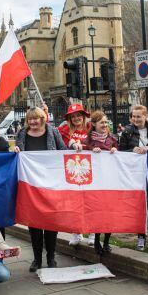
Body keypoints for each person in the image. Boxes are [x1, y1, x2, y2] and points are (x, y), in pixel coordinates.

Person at [15, 106, 65, 271]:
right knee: (34, 223)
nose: (33, 122)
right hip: (31, 185)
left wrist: (76, 147)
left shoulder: (53, 132)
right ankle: (37, 259)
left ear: (42, 119)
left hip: (51, 183)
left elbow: (63, 151)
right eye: (30, 119)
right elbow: (19, 154)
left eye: (36, 118)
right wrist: (15, 150)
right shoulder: (21, 133)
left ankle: (51, 257)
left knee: (51, 222)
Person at [119, 104, 148, 251]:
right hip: (135, 173)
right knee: (140, 205)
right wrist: (132, 150)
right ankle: (141, 236)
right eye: (133, 116)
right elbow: (121, 152)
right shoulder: (127, 131)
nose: (136, 119)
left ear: (145, 116)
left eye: (139, 116)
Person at [82, 111, 118, 255]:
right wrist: (90, 150)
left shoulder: (112, 139)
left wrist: (115, 150)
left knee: (110, 212)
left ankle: (107, 241)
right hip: (95, 183)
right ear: (94, 124)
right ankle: (96, 239)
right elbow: (82, 154)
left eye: (106, 122)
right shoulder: (88, 141)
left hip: (110, 181)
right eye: (102, 122)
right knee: (98, 212)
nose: (105, 125)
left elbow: (121, 156)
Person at [57, 104, 91, 246]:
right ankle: (76, 233)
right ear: (69, 119)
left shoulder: (90, 128)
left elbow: (101, 141)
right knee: (73, 202)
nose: (76, 118)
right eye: (73, 116)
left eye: (79, 115)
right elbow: (49, 132)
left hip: (89, 170)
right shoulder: (63, 130)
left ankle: (93, 233)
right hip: (71, 172)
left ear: (83, 116)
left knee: (90, 201)